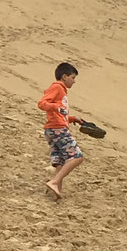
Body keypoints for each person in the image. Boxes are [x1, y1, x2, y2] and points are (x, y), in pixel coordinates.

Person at [38, 63, 86, 199]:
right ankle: (54, 182)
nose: (74, 81)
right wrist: (56, 107)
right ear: (64, 76)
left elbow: (60, 113)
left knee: (60, 160)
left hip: (52, 129)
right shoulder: (57, 87)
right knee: (77, 157)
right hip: (57, 129)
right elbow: (42, 103)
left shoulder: (61, 90)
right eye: (72, 77)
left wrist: (72, 118)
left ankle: (55, 190)